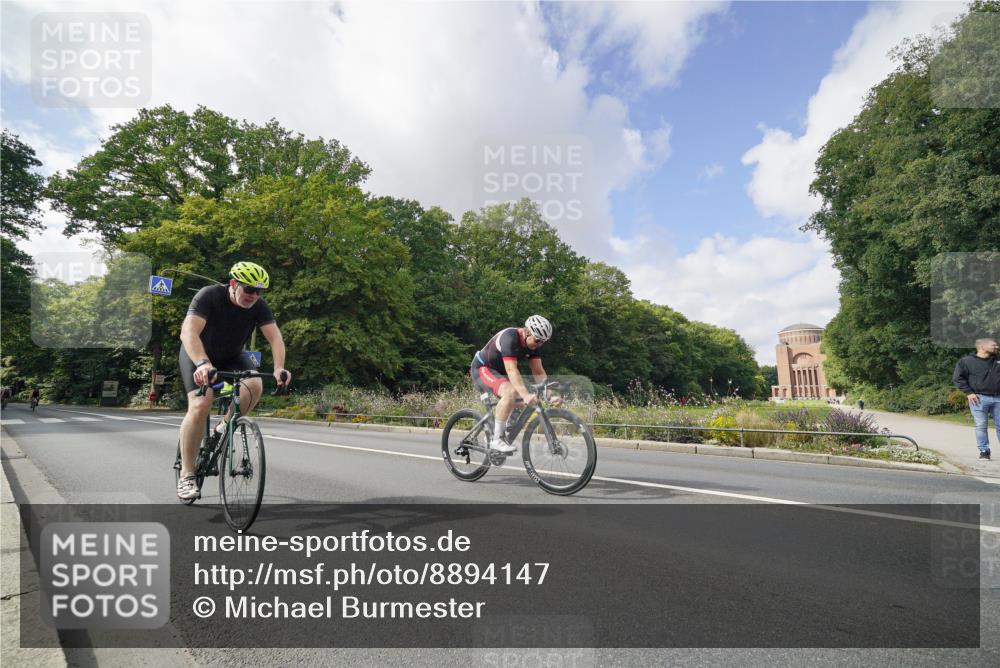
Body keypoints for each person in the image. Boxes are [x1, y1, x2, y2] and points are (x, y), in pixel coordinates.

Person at [176, 261, 291, 499]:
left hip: (231, 356)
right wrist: (202, 363)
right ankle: (187, 474)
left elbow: (275, 338)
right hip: (198, 353)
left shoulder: (259, 306)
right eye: (249, 289)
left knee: (255, 384)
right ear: (233, 284)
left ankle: (222, 427)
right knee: (201, 404)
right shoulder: (209, 295)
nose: (254, 295)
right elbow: (188, 332)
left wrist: (279, 367)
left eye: (259, 291)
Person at [470, 315, 559, 454]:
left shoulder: (533, 345)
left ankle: (500, 429)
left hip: (500, 372)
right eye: (538, 340)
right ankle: (497, 440)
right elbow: (511, 370)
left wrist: (549, 395)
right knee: (511, 392)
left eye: (543, 342)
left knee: (523, 402)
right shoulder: (510, 338)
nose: (539, 344)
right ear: (527, 332)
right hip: (482, 368)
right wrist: (525, 395)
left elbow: (538, 372)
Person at [953, 337, 1000, 461]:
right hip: (979, 398)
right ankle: (984, 451)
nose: (996, 347)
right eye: (993, 345)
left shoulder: (998, 360)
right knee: (981, 425)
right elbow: (958, 378)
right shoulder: (966, 361)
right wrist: (969, 393)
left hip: (998, 398)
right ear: (982, 346)